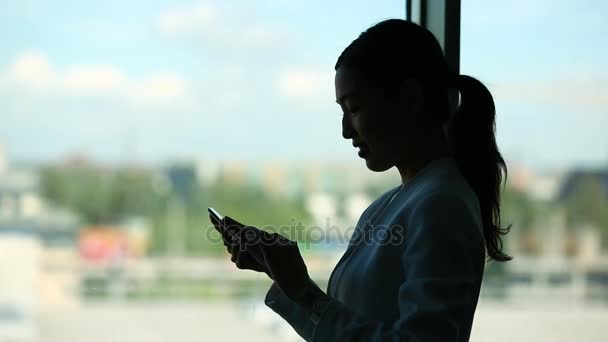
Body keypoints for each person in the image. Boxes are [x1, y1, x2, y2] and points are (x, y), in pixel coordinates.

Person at [209, 18, 512, 341]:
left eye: (354, 108)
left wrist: (304, 292)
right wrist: (286, 278)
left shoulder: (441, 206)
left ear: (410, 99)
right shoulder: (398, 203)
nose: (345, 130)